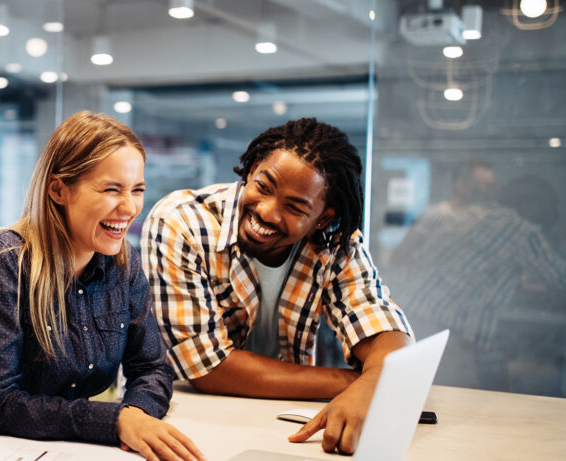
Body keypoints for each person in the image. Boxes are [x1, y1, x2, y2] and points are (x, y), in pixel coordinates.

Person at [141, 118, 413, 455]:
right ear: (253, 168)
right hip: (184, 420)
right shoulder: (181, 222)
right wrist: (362, 383)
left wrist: (374, 382)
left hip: (283, 417)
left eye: (295, 207)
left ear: (323, 218)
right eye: (264, 186)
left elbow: (382, 324)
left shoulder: (335, 242)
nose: (268, 212)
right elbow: (209, 369)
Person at [0, 111, 205, 461]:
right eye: (111, 189)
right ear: (58, 190)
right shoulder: (4, 259)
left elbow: (152, 369)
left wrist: (135, 416)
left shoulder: (124, 263)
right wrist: (114, 421)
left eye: (137, 190)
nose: (129, 207)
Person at [390, 162, 566, 393]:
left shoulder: (463, 215)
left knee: (412, 399)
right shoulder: (522, 231)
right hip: (451, 335)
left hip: (411, 320)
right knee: (456, 407)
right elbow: (563, 279)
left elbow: (472, 272)